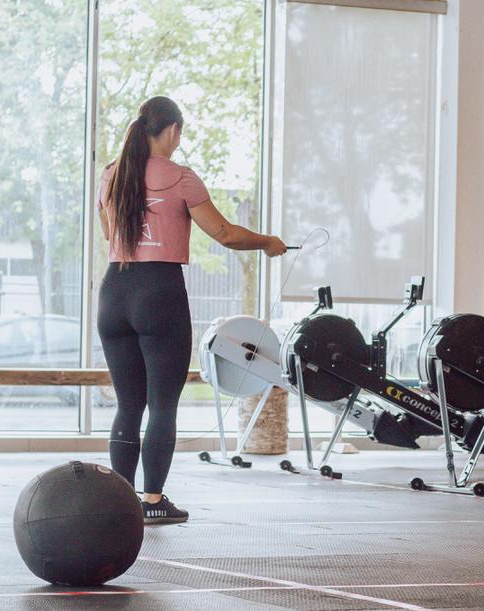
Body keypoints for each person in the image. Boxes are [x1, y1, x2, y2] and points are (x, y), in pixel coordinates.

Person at [97, 96, 286, 524]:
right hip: (158, 293)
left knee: (128, 405)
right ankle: (152, 500)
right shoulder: (181, 178)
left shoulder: (111, 175)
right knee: (162, 405)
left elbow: (109, 233)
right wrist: (267, 242)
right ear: (172, 130)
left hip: (115, 293)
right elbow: (224, 233)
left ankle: (119, 504)